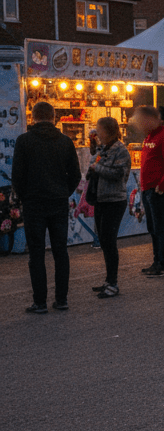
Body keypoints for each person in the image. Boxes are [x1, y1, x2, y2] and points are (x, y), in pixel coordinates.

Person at [12, 102, 81, 313]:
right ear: (54, 117)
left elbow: (17, 176)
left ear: (33, 117)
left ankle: (40, 301)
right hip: (58, 202)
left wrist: (27, 196)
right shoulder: (65, 142)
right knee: (61, 252)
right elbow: (76, 175)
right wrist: (62, 192)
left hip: (34, 203)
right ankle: (62, 299)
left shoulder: (24, 141)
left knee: (37, 253)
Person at [87, 117, 131, 299]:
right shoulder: (104, 148)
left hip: (114, 200)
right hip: (101, 199)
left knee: (109, 241)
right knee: (104, 241)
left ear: (108, 131)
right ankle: (108, 280)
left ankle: (113, 283)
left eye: (99, 130)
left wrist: (98, 169)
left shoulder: (120, 150)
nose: (97, 132)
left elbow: (118, 174)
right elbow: (94, 158)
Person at [135, 106, 164, 277]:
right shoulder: (149, 136)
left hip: (157, 190)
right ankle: (157, 261)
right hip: (148, 189)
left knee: (160, 228)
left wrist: (163, 184)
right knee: (153, 228)